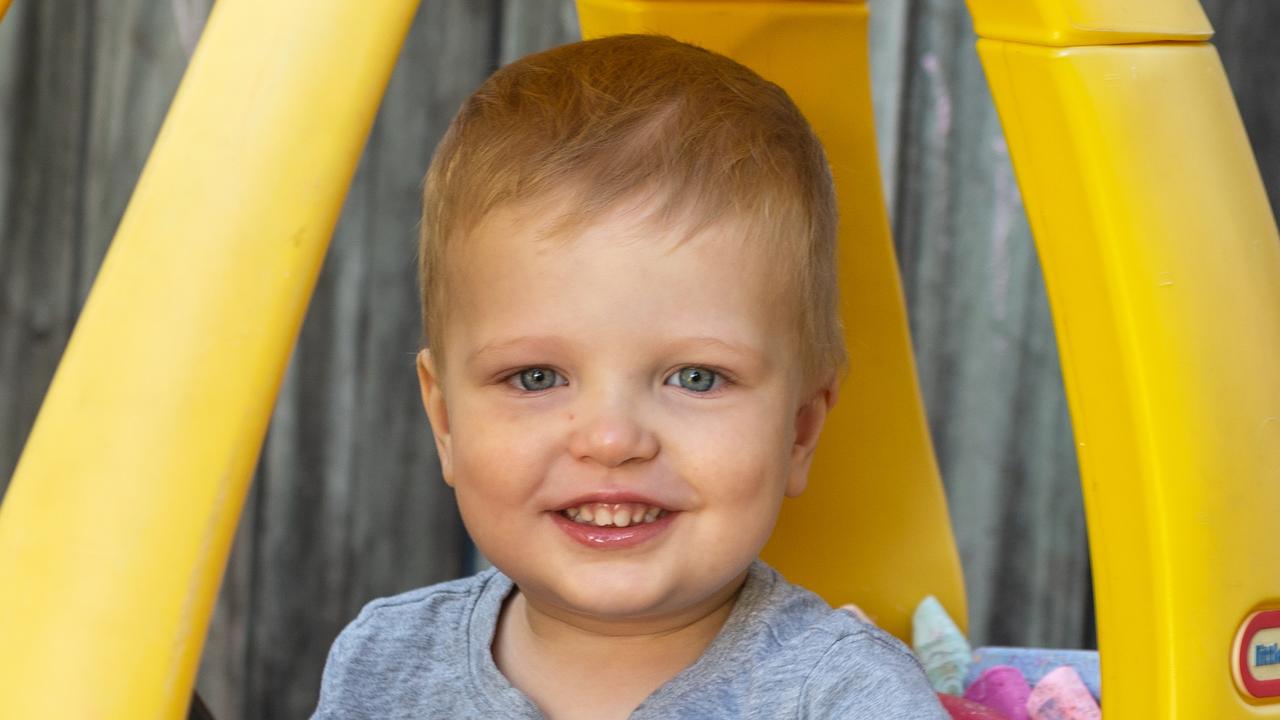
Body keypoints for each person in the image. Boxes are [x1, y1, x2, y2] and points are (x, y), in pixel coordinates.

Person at [311, 34, 947, 720]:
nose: (612, 440)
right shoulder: (387, 663)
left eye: (696, 378)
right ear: (445, 423)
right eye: (534, 378)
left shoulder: (843, 696)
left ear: (799, 430)